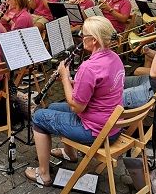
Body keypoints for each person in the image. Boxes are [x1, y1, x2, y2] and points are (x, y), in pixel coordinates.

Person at [25, 16, 124, 186]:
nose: (80, 36)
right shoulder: (114, 57)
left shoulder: (89, 67)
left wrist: (64, 78)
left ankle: (43, 174)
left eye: (83, 35)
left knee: (40, 116)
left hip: (96, 132)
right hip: (112, 125)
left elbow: (76, 107)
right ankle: (70, 154)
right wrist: (72, 82)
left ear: (94, 40)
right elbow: (96, 89)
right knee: (54, 106)